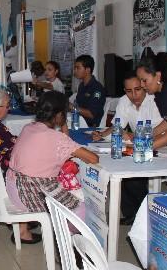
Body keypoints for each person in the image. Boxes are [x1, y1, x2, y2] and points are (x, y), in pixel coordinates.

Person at [6, 91, 99, 243]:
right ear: (59, 115)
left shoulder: (29, 127)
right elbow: (93, 158)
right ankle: (66, 242)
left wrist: (62, 126)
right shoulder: (56, 138)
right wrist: (63, 126)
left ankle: (62, 232)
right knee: (81, 210)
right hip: (30, 193)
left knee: (64, 187)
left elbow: (65, 143)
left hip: (12, 187)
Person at [92, 70, 165, 225]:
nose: (134, 95)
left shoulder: (155, 101)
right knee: (121, 166)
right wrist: (102, 134)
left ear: (144, 86)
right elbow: (118, 124)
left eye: (137, 89)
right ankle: (132, 214)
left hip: (162, 145)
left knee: (134, 176)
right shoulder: (124, 101)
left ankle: (144, 216)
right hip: (139, 145)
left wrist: (136, 137)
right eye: (129, 91)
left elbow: (162, 130)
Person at [70, 54, 106, 127]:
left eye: (78, 68)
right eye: (75, 68)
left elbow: (91, 114)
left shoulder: (97, 88)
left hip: (90, 126)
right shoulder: (81, 86)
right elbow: (78, 105)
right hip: (79, 121)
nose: (75, 71)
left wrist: (71, 107)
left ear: (88, 70)